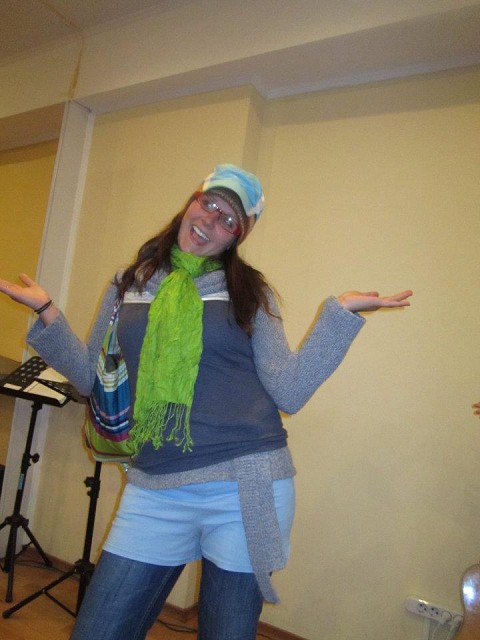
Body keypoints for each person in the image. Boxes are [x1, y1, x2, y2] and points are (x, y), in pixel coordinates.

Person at [0, 164, 412, 640]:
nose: (211, 220)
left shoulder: (248, 292)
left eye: (228, 220)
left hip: (245, 484)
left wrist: (338, 316)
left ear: (237, 236)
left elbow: (289, 390)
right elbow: (93, 378)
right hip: (154, 484)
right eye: (209, 204)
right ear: (192, 201)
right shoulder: (130, 282)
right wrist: (47, 312)